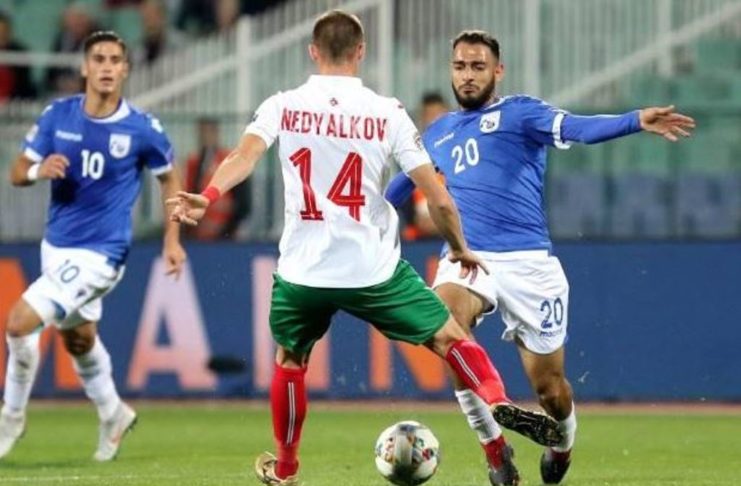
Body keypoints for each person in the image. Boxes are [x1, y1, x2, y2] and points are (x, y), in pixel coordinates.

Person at [168, 11, 561, 486]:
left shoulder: (283, 105)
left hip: (303, 272)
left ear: (313, 51)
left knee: (290, 361)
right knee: (451, 338)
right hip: (373, 271)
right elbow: (438, 198)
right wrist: (459, 247)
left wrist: (207, 195)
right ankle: (496, 401)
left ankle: (286, 468)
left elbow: (243, 156)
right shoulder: (387, 112)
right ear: (361, 52)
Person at [385, 30, 695, 485]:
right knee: (448, 331)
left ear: (498, 71)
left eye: (477, 67)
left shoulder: (522, 113)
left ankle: (562, 442)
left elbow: (579, 128)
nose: (467, 76)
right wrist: (356, 219)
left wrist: (634, 120)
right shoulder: (438, 132)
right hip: (468, 257)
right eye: (460, 66)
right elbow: (397, 190)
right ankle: (495, 449)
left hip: (530, 264)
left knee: (550, 390)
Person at [0, 31, 186, 462]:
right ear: (85, 67)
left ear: (125, 70)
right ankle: (113, 412)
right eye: (98, 59)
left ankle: (10, 417)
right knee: (79, 340)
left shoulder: (142, 128)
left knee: (20, 323)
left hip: (103, 253)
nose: (106, 67)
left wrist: (172, 239)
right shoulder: (57, 115)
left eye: (115, 60)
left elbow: (170, 179)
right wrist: (39, 171)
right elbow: (17, 170)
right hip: (57, 247)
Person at [183, 117, 251, 240]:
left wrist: (229, 229)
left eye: (209, 132)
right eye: (203, 133)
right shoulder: (195, 162)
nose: (206, 137)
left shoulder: (229, 160)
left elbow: (242, 201)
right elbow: (190, 192)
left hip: (226, 231)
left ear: (216, 133)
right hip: (199, 232)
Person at [401, 91, 449, 240]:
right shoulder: (413, 154)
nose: (434, 120)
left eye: (438, 114)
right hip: (420, 236)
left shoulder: (459, 151)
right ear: (422, 118)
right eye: (429, 115)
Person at [0, 11, 37, 101]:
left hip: (14, 101)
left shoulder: (19, 51)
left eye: (4, 31)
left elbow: (24, 82)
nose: (1, 35)